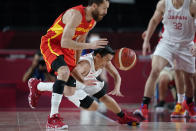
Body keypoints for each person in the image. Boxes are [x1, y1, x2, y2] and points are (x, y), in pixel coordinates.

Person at [28, 0, 109, 129]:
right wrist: (90, 46)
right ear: (94, 6)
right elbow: (65, 42)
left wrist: (75, 65)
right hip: (52, 43)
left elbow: (80, 41)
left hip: (69, 48)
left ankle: (38, 85)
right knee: (64, 71)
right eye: (104, 8)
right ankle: (53, 118)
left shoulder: (92, 21)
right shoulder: (76, 15)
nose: (105, 12)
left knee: (70, 91)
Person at [28, 46, 140, 127]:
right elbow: (73, 72)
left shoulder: (104, 61)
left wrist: (117, 87)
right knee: (67, 90)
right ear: (97, 56)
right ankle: (38, 85)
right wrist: (84, 82)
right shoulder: (85, 64)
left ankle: (122, 117)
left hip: (85, 82)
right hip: (72, 80)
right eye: (107, 60)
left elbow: (116, 75)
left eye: (109, 60)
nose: (108, 63)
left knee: (98, 103)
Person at [134, 0, 196, 120]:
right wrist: (146, 41)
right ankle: (144, 107)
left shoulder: (192, 5)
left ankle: (188, 103)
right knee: (155, 70)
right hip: (167, 43)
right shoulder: (163, 4)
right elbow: (154, 21)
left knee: (188, 77)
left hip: (186, 45)